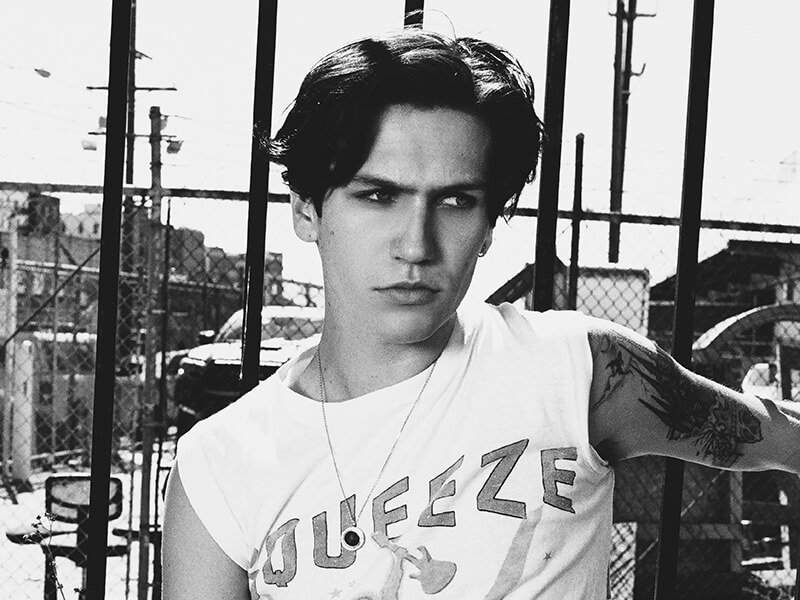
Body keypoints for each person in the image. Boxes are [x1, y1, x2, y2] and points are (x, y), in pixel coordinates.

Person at [162, 29, 800, 599]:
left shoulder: (578, 370)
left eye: (456, 202)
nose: (416, 245)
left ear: (490, 223)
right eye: (378, 196)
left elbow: (773, 433)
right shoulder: (220, 464)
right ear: (307, 209)